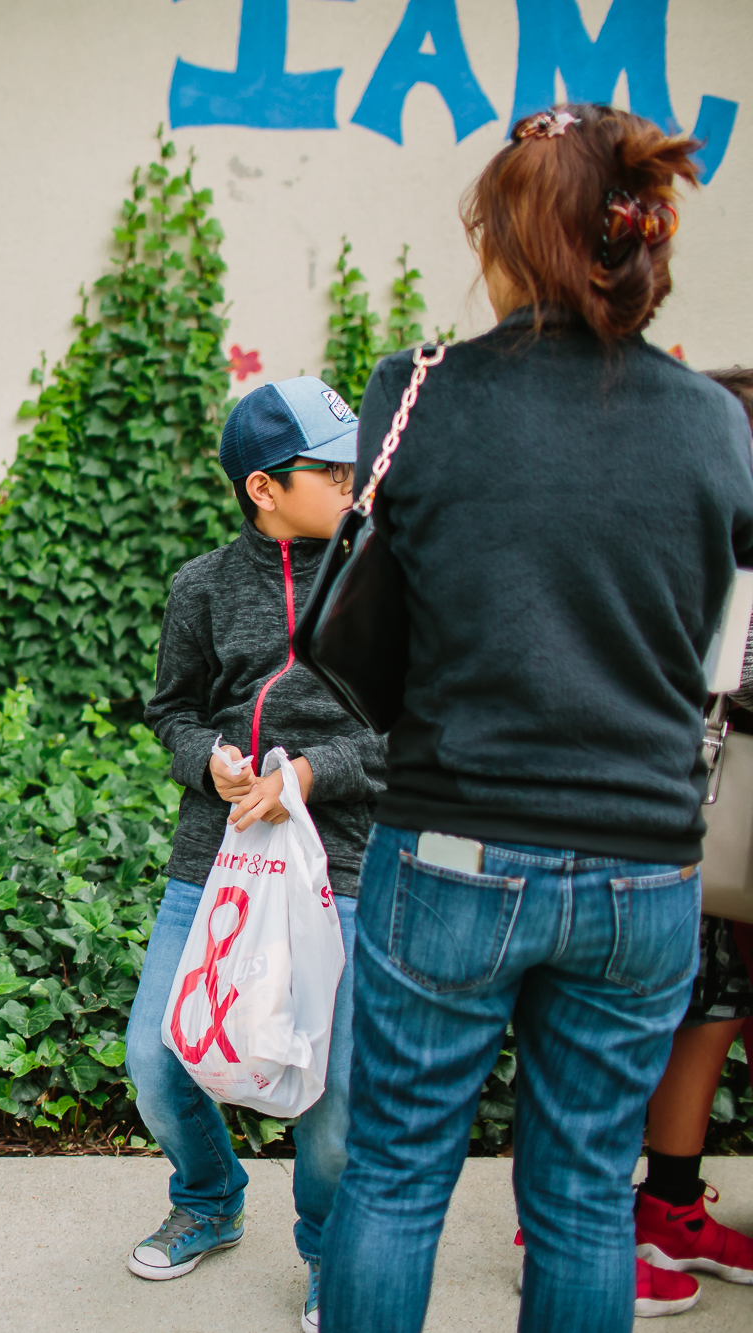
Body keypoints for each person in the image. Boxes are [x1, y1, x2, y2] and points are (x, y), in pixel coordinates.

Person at [319, 104, 753, 1333]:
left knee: (396, 1177)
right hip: (642, 866)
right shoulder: (715, 425)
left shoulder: (418, 392)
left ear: (511, 241)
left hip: (454, 841)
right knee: (576, 1200)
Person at [132, 375, 386, 1332]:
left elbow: (416, 735)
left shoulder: (382, 579)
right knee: (159, 1056)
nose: (353, 480)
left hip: (346, 865)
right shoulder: (200, 586)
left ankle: (324, 1251)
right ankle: (208, 1197)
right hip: (216, 860)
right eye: (331, 467)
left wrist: (314, 773)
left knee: (335, 1091)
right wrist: (213, 761)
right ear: (264, 488)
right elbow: (172, 712)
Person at [628, 367, 753, 1304]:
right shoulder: (727, 547)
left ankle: (653, 1206)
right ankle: (612, 1213)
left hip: (666, 809)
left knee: (698, 1005)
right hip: (702, 820)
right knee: (689, 1005)